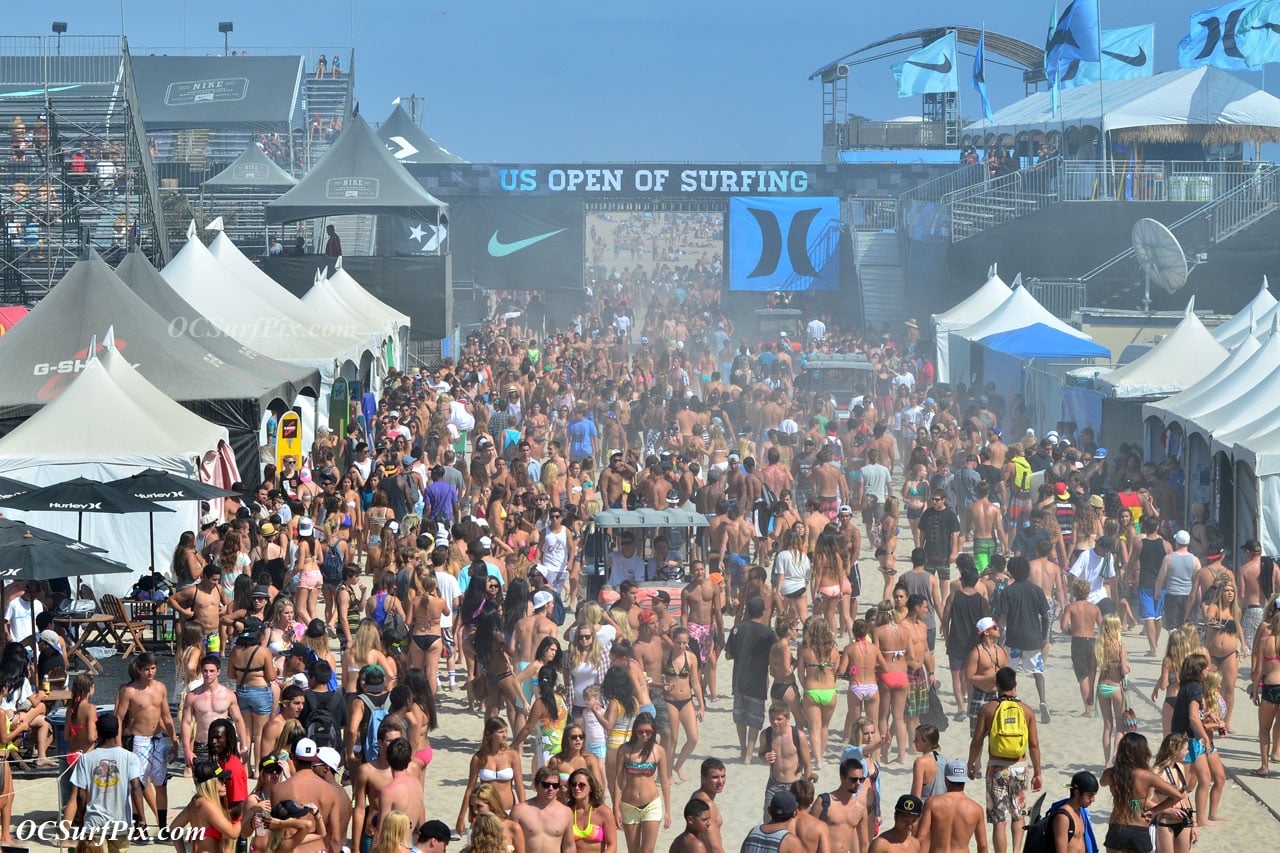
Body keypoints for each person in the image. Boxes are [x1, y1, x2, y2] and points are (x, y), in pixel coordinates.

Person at [966, 667, 1042, 853]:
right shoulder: (1026, 711)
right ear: (1015, 684)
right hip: (1020, 768)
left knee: (999, 820)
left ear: (996, 685)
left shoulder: (988, 709)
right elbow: (1034, 745)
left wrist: (971, 763)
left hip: (996, 768)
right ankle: (1017, 851)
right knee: (1018, 814)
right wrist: (1038, 773)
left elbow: (977, 740)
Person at [61, 713, 146, 852]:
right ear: (117, 731)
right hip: (120, 823)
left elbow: (81, 795)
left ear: (98, 732)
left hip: (94, 822)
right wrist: (142, 819)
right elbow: (136, 787)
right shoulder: (130, 757)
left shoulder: (86, 759)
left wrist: (82, 820)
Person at [115, 652, 177, 838]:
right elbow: (118, 719)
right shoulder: (130, 691)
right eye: (146, 669)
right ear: (139, 670)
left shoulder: (160, 688)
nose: (150, 673)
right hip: (138, 740)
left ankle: (163, 826)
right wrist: (118, 746)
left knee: (161, 784)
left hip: (157, 740)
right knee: (137, 784)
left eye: (153, 668)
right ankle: (139, 825)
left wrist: (174, 739)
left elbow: (166, 716)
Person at [1099, 733, 1186, 853]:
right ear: (1143, 752)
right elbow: (1177, 796)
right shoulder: (1147, 776)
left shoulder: (1111, 773)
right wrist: (1155, 810)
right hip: (1139, 827)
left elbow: (1102, 782)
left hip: (1117, 826)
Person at [993, 556, 1050, 724]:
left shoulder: (1008, 591)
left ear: (1011, 572)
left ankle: (1011, 701)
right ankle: (1042, 701)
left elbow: (1002, 617)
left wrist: (997, 638)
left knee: (1009, 672)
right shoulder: (1037, 590)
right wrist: (1043, 637)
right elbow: (1046, 616)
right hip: (1033, 638)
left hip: (1014, 639)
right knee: (1037, 672)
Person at [611, 711, 671, 853]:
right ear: (635, 731)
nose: (644, 735)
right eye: (640, 731)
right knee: (633, 851)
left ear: (653, 731)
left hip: (651, 804)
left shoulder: (658, 751)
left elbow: (664, 783)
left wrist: (668, 811)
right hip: (629, 805)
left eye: (648, 732)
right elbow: (618, 780)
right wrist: (616, 808)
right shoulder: (624, 750)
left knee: (647, 851)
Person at [725, 598, 776, 763]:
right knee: (754, 719)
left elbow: (728, 655)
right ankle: (748, 755)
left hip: (739, 678)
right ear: (763, 612)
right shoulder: (769, 633)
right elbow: (773, 657)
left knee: (740, 717)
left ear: (747, 611)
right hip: (758, 680)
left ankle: (742, 749)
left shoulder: (737, 629)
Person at [914, 760, 985, 853]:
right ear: (964, 780)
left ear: (946, 779)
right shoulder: (976, 809)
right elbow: (982, 845)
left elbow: (921, 838)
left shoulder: (932, 803)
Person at [759, 703, 811, 824]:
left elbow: (808, 764)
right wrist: (764, 758)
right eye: (772, 719)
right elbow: (761, 754)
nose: (775, 722)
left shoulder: (798, 735)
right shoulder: (765, 735)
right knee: (768, 818)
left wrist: (807, 788)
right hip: (774, 783)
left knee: (797, 820)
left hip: (795, 784)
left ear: (787, 719)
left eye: (779, 719)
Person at [511, 766, 574, 853]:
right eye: (546, 785)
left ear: (558, 788)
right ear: (536, 786)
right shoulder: (519, 811)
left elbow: (569, 846)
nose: (551, 788)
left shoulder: (566, 813)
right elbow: (509, 843)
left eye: (555, 785)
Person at [1151, 735, 1197, 853]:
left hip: (1184, 821)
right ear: (1175, 750)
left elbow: (1185, 796)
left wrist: (1194, 823)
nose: (1187, 752)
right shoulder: (1157, 772)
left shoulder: (1180, 767)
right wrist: (1167, 810)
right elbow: (1144, 802)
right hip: (1166, 822)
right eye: (1185, 749)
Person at [811, 757, 868, 853]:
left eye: (861, 779)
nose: (858, 783)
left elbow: (864, 844)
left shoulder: (861, 808)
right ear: (842, 778)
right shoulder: (824, 802)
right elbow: (808, 833)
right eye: (854, 779)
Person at [566, 767, 616, 853]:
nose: (577, 788)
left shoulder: (604, 812)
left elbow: (612, 845)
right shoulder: (567, 811)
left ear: (591, 788)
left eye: (582, 785)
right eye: (574, 784)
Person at [690, 759, 727, 853]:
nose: (721, 782)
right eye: (715, 777)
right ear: (703, 778)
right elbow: (714, 847)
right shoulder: (707, 804)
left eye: (723, 776)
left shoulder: (697, 795)